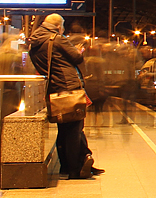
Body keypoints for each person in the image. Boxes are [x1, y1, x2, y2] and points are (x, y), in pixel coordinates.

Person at [29, 14, 103, 180]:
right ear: (58, 26)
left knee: (65, 130)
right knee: (74, 129)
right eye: (62, 27)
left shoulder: (35, 42)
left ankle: (72, 164)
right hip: (69, 87)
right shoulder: (57, 39)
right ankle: (75, 168)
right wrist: (78, 50)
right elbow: (77, 58)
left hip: (54, 88)